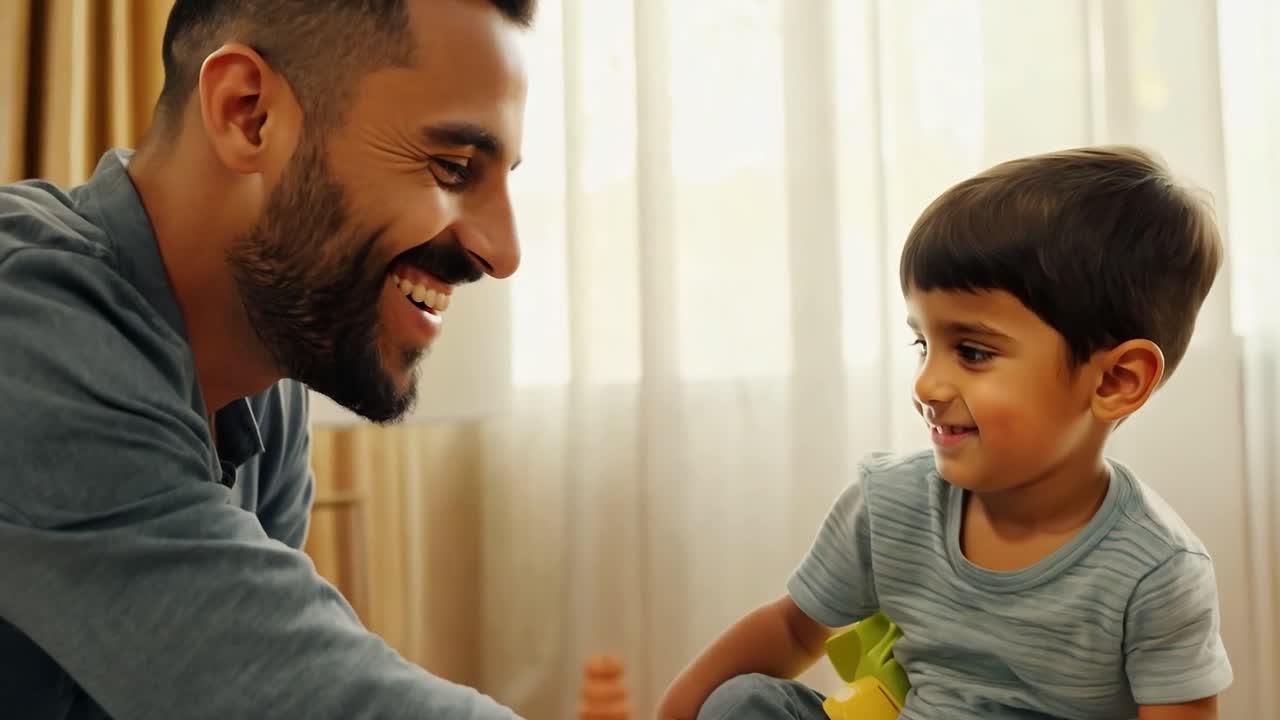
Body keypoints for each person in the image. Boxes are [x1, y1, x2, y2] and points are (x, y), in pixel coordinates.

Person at [0, 0, 535, 717]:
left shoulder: (264, 383)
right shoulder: (25, 321)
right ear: (247, 112)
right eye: (450, 167)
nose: (501, 253)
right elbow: (304, 697)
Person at [657, 146, 1233, 720]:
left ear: (1115, 380)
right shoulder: (890, 504)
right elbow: (791, 628)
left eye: (973, 351)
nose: (927, 384)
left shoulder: (1157, 571)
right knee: (745, 702)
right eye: (922, 344)